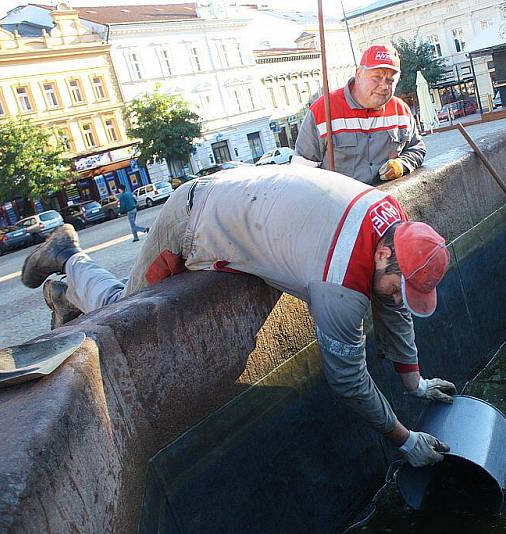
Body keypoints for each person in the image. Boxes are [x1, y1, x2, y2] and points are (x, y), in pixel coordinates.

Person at [22, 165, 455, 468]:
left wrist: (413, 381)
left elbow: (393, 308)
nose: (400, 297)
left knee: (125, 308)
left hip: (240, 195)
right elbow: (347, 381)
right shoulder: (340, 282)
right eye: (401, 284)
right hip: (194, 220)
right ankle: (67, 260)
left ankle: (64, 293)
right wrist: (404, 438)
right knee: (123, 311)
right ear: (384, 254)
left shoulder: (394, 223)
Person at [295, 44, 426, 184]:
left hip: (385, 202)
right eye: (376, 77)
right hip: (341, 203)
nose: (384, 86)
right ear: (358, 74)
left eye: (390, 80)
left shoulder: (401, 110)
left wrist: (402, 164)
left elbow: (416, 148)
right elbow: (301, 173)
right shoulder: (322, 110)